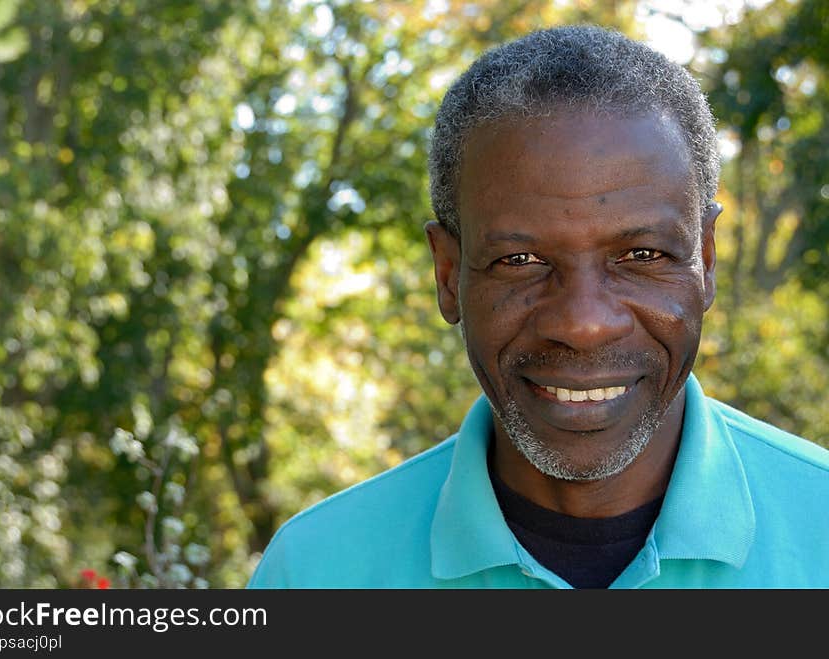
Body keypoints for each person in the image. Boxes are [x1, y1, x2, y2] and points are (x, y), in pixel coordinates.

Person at [247, 25, 829, 588]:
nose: (583, 323)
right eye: (520, 261)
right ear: (448, 275)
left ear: (705, 260)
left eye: (642, 254)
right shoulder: (317, 572)